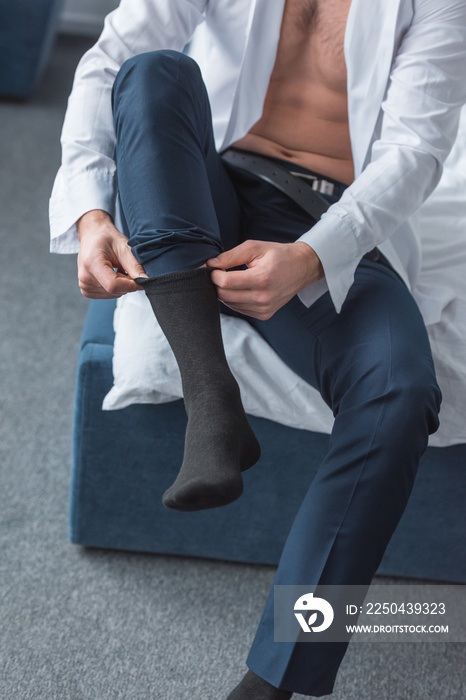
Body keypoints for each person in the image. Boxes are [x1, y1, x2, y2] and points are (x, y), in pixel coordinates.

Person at [49, 0, 466, 697]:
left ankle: (274, 679)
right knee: (153, 73)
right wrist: (92, 212)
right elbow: (109, 60)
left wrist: (309, 257)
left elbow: (417, 151)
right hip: (205, 189)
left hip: (335, 222)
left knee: (399, 391)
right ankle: (214, 403)